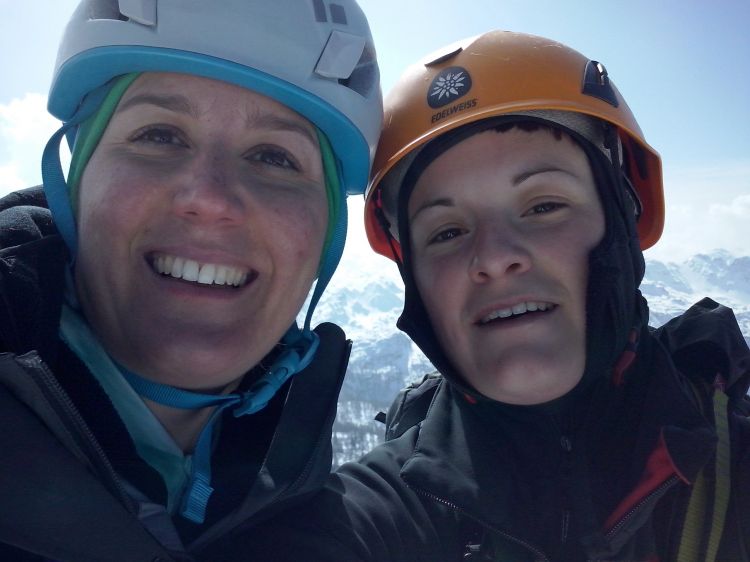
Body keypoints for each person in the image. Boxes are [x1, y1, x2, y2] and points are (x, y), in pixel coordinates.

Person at [229, 31, 750, 561]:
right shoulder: (370, 518)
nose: (495, 257)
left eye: (543, 206)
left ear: (622, 220)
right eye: (446, 232)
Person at [0, 1, 381, 560]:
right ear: (75, 181)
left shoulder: (315, 518)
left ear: (328, 229)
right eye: (159, 135)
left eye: (275, 157)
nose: (210, 199)